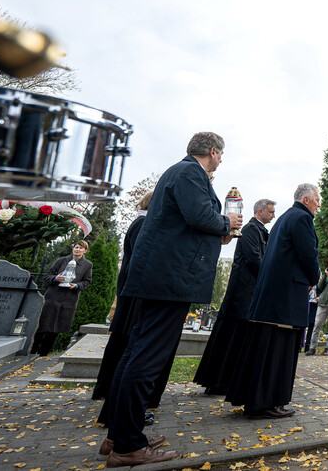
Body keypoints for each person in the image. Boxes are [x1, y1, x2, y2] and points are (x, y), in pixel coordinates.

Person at [100, 132, 242, 468]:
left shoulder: (178, 173)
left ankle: (119, 435)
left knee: (136, 352)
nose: (220, 161)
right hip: (170, 280)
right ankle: (129, 447)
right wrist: (227, 222)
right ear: (212, 151)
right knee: (148, 358)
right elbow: (199, 216)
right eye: (220, 156)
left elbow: (188, 222)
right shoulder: (191, 173)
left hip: (160, 277)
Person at [223, 183, 321, 418]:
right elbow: (308, 254)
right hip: (285, 298)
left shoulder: (286, 217)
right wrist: (313, 277)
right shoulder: (301, 218)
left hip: (273, 296)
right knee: (278, 350)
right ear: (306, 199)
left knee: (265, 349)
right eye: (317, 200)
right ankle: (266, 402)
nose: (319, 204)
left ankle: (257, 399)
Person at [94, 191, 166, 427]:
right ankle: (119, 410)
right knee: (129, 350)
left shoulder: (141, 222)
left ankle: (118, 407)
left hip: (133, 294)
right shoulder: (143, 224)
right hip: (136, 296)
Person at [195, 198, 276, 394]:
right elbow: (254, 259)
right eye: (271, 212)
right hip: (241, 294)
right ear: (260, 211)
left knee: (237, 338)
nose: (273, 215)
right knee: (230, 336)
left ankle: (227, 379)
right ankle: (218, 381)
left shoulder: (259, 231)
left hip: (248, 293)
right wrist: (271, 277)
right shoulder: (250, 230)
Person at [32, 240, 92, 356]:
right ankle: (32, 351)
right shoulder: (61, 261)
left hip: (68, 300)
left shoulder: (87, 265)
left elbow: (87, 281)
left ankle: (44, 354)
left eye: (80, 248)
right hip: (52, 297)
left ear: (85, 251)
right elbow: (47, 276)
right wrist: (55, 278)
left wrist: (77, 285)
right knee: (42, 326)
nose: (77, 249)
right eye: (76, 247)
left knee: (56, 328)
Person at [303, 285, 318, 352]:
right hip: (306, 305)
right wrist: (308, 293)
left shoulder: (320, 285)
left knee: (311, 326)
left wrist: (319, 298)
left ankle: (307, 346)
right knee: (303, 325)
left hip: (314, 306)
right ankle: (300, 345)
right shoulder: (308, 283)